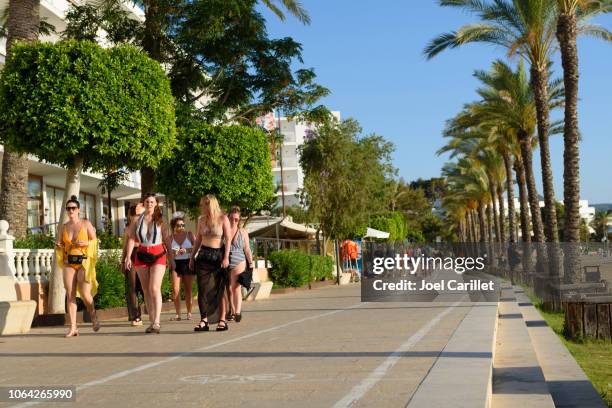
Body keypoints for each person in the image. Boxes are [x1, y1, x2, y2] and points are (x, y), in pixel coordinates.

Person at [125, 193, 173, 334]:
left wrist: (172, 258)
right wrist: (128, 257)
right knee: (146, 290)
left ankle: (157, 322)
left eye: (152, 202)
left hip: (158, 254)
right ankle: (152, 321)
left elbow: (167, 240)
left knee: (154, 288)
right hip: (141, 254)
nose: (149, 204)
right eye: (147, 201)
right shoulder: (137, 220)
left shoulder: (160, 220)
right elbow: (131, 239)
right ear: (143, 203)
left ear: (156, 204)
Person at [55, 195, 100, 337]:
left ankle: (93, 314)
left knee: (86, 294)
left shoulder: (86, 224)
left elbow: (95, 241)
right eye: (68, 208)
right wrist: (59, 246)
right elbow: (59, 244)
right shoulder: (63, 227)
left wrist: (87, 243)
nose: (70, 211)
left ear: (78, 210)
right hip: (69, 262)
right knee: (70, 295)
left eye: (73, 208)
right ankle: (73, 327)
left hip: (83, 262)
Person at [189, 194, 231, 332]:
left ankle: (222, 320)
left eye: (205, 204)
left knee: (219, 289)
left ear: (212, 204)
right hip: (203, 255)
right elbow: (198, 240)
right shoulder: (201, 220)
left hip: (218, 255)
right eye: (202, 204)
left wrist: (226, 257)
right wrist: (191, 257)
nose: (203, 206)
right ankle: (204, 320)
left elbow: (228, 240)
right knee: (202, 289)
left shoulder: (223, 219)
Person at [226, 206, 254, 323]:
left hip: (239, 261)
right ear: (228, 218)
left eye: (236, 219)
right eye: (231, 218)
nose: (233, 221)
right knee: (228, 288)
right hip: (226, 261)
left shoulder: (243, 232)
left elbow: (247, 249)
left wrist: (251, 263)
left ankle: (237, 312)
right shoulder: (224, 230)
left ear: (239, 220)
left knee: (236, 287)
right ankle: (231, 310)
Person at [121, 203, 145, 326]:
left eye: (140, 214)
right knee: (132, 286)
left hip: (144, 254)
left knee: (145, 287)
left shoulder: (147, 226)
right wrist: (123, 260)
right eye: (135, 214)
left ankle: (152, 311)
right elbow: (125, 245)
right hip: (132, 255)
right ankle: (136, 315)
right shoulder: (128, 228)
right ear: (130, 216)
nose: (137, 216)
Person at [169, 212, 195, 321]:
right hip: (175, 264)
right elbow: (167, 252)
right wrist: (173, 253)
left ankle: (189, 312)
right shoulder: (170, 238)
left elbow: (196, 247)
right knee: (175, 289)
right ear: (174, 226)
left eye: (183, 225)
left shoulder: (189, 234)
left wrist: (187, 250)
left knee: (188, 289)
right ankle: (178, 313)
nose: (181, 227)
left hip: (187, 262)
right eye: (179, 225)